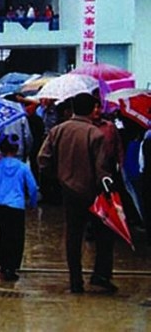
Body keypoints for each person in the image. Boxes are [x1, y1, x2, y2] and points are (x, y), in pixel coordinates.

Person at [38, 92, 117, 294]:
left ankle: (75, 280)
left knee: (73, 236)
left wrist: (58, 177)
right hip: (93, 193)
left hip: (68, 191)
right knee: (104, 234)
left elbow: (43, 160)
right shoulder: (95, 134)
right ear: (91, 109)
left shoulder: (57, 130)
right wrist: (107, 185)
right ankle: (101, 275)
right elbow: (101, 169)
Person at [0, 134, 38, 281]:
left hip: (0, 205)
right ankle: (12, 267)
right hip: (17, 206)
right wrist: (33, 203)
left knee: (4, 234)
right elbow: (33, 187)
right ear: (16, 149)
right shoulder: (23, 167)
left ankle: (3, 264)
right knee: (17, 237)